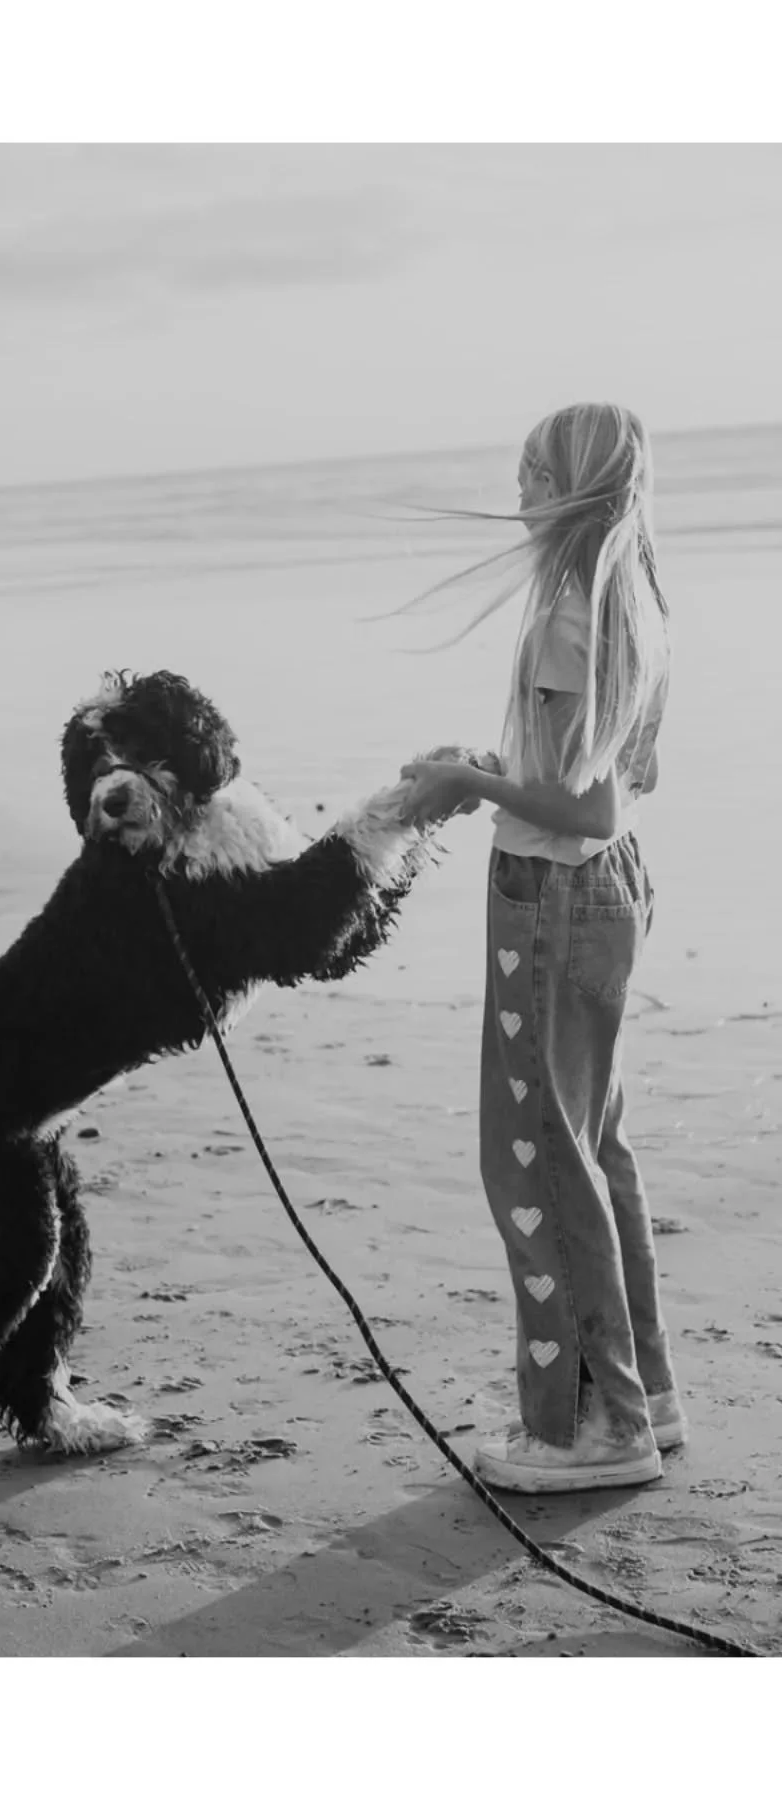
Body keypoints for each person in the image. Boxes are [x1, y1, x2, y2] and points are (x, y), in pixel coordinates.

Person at [397, 401, 680, 1493]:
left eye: (530, 476)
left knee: (537, 1157)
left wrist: (467, 786)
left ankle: (591, 1428)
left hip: (555, 901)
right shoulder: (632, 599)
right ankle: (644, 1395)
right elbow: (608, 782)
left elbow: (587, 806)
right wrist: (491, 763)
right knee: (593, 1146)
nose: (518, 496)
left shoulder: (570, 611)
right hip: (606, 898)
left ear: (569, 490)